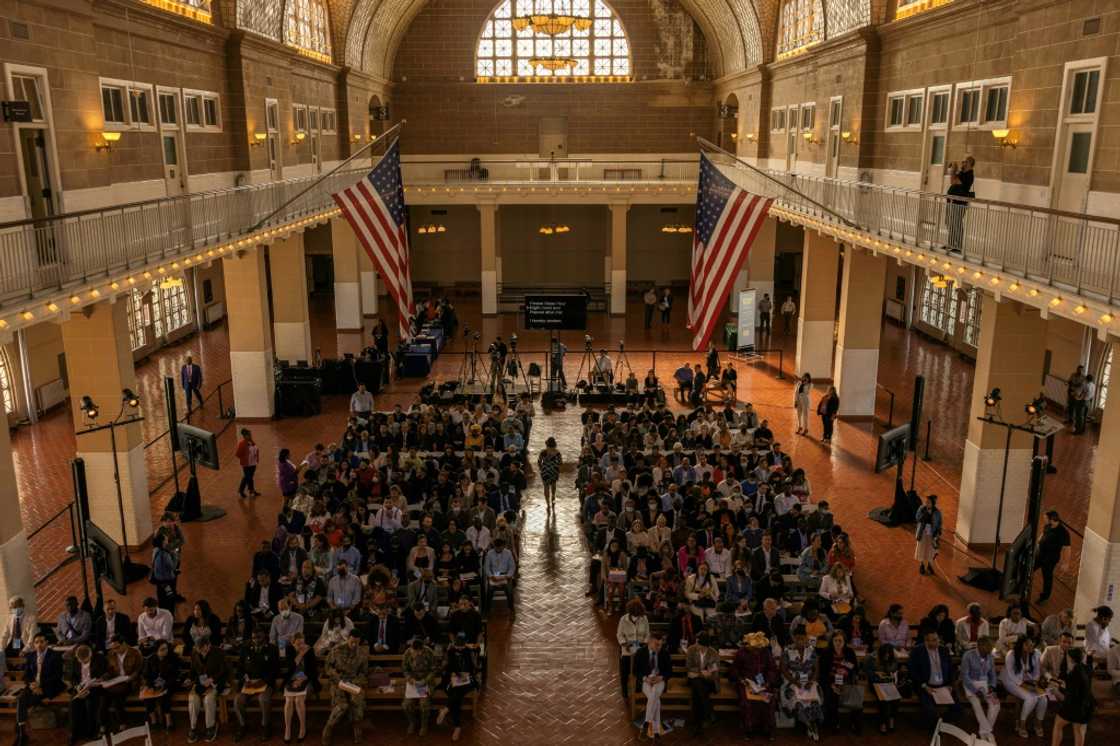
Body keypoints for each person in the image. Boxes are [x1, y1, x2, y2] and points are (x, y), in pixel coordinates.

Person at [15, 633, 64, 745]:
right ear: (33, 644)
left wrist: (40, 685)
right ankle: (22, 733)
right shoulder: (31, 656)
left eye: (42, 641)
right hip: (33, 686)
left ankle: (20, 734)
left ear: (46, 643)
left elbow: (57, 675)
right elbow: (26, 675)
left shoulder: (55, 655)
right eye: (36, 642)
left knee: (25, 702)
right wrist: (32, 684)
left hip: (49, 686)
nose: (39, 644)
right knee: (20, 699)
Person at [234, 626, 279, 741]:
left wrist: (262, 681)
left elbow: (275, 670)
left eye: (259, 637)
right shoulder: (246, 648)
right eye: (254, 638)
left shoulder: (272, 649)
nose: (256, 640)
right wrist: (244, 677)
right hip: (249, 683)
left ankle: (265, 725)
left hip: (265, 682)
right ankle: (243, 725)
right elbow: (239, 668)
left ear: (264, 636)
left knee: (263, 699)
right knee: (238, 701)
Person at [322, 630, 367, 745]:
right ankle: (328, 728)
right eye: (352, 641)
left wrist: (356, 681)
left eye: (356, 643)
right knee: (342, 706)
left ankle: (357, 730)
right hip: (338, 682)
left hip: (353, 682)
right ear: (348, 638)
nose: (354, 644)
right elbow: (328, 667)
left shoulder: (361, 653)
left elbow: (363, 672)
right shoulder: (337, 650)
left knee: (357, 703)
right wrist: (336, 676)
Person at [779, 624, 824, 742]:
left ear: (806, 638)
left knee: (814, 700)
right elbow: (783, 670)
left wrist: (812, 681)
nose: (800, 641)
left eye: (802, 638)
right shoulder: (787, 652)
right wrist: (794, 681)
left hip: (808, 681)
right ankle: (808, 725)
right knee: (798, 702)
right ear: (793, 638)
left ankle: (813, 725)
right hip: (792, 682)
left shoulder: (811, 651)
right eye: (797, 638)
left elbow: (816, 669)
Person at [910, 629, 960, 732]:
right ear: (926, 641)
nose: (935, 642)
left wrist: (950, 685)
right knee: (930, 711)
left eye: (936, 639)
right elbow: (913, 671)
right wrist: (924, 686)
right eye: (932, 640)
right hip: (926, 686)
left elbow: (951, 669)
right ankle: (935, 729)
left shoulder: (944, 650)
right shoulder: (917, 651)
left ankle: (941, 723)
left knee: (958, 709)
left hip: (944, 686)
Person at [731, 631, 779, 739]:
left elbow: (772, 669)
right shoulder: (741, 652)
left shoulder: (766, 652)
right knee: (747, 703)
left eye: (759, 648)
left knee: (768, 701)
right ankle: (748, 730)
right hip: (746, 683)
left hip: (763, 683)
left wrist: (768, 682)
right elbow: (734, 670)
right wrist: (741, 680)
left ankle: (767, 730)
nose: (757, 651)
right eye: (754, 648)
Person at [1003, 634, 1046, 738]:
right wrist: (1027, 687)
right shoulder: (1011, 654)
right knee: (1031, 698)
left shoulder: (1036, 653)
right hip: (1011, 681)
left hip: (1028, 681)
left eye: (1031, 644)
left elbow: (1036, 672)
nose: (1030, 647)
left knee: (1043, 699)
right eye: (1027, 645)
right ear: (1020, 645)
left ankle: (1038, 724)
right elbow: (1011, 675)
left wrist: (1035, 683)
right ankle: (1022, 725)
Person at [819, 629, 861, 734]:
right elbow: (823, 673)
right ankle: (835, 722)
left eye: (840, 641)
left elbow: (855, 668)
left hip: (847, 681)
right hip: (831, 682)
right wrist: (832, 684)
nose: (838, 643)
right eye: (836, 640)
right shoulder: (826, 652)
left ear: (844, 641)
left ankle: (855, 723)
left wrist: (846, 669)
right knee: (831, 695)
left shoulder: (849, 652)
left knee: (855, 696)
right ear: (831, 641)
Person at [187, 635, 228, 743]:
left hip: (215, 682)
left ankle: (210, 727)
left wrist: (212, 679)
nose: (201, 653)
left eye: (203, 650)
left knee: (208, 699)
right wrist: (188, 679)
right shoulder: (195, 653)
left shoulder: (219, 652)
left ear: (208, 645)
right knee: (192, 699)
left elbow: (223, 671)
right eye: (199, 650)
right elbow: (192, 671)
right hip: (200, 684)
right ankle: (193, 728)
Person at [439, 632, 478, 742]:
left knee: (456, 694)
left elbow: (473, 668)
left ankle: (446, 710)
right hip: (453, 679)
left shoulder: (469, 652)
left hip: (467, 680)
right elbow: (446, 667)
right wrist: (452, 673)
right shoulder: (450, 651)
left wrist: (467, 673)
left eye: (461, 647)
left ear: (465, 645)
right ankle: (457, 727)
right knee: (457, 695)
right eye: (457, 647)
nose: (459, 649)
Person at [1051, 647, 1094, 746]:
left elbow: (1067, 699)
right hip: (1086, 707)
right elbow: (1090, 668)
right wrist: (1090, 656)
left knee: (1058, 724)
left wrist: (1055, 691)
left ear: (1070, 659)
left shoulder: (1073, 674)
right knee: (1079, 731)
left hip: (1075, 708)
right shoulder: (1085, 668)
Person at [960, 635, 1000, 742]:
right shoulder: (968, 655)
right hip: (970, 684)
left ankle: (984, 731)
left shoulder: (990, 657)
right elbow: (964, 676)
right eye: (989, 646)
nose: (991, 649)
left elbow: (993, 675)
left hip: (985, 684)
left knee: (995, 704)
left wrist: (992, 686)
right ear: (980, 646)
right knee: (976, 704)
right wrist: (975, 691)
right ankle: (988, 732)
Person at [633, 632, 672, 741]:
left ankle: (646, 724)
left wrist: (661, 677)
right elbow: (635, 671)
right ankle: (655, 731)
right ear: (650, 642)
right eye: (656, 644)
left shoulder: (664, 653)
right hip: (646, 681)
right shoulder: (640, 652)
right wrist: (646, 678)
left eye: (660, 645)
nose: (659, 647)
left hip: (659, 681)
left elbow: (670, 671)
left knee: (654, 694)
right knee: (656, 700)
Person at [64, 643, 106, 745]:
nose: (82, 662)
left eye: (85, 660)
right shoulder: (75, 660)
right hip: (80, 687)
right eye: (80, 660)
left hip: (95, 687)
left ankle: (92, 733)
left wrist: (95, 682)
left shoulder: (99, 658)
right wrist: (77, 686)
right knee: (74, 705)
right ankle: (75, 733)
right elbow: (72, 677)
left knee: (91, 705)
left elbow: (104, 674)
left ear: (90, 655)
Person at [102, 634, 143, 733]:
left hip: (129, 681)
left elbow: (138, 670)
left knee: (117, 696)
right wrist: (105, 677)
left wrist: (131, 677)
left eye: (117, 647)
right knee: (103, 697)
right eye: (113, 648)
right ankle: (103, 724)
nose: (115, 650)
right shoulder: (111, 654)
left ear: (124, 644)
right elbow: (109, 670)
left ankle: (122, 722)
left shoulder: (135, 653)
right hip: (116, 681)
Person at [282, 632, 318, 744]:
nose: (301, 646)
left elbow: (313, 671)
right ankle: (287, 729)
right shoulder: (289, 650)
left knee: (299, 700)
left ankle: (302, 728)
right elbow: (290, 667)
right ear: (293, 644)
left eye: (302, 643)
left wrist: (302, 678)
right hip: (291, 678)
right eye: (298, 644)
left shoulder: (310, 650)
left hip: (307, 679)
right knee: (288, 701)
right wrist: (301, 654)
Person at [686, 632, 720, 736]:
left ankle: (696, 723)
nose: (702, 650)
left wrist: (708, 673)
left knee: (698, 691)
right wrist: (701, 672)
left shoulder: (713, 652)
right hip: (695, 678)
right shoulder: (691, 649)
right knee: (698, 685)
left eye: (705, 648)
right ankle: (708, 713)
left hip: (709, 680)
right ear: (697, 643)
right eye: (701, 647)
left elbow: (715, 670)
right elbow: (688, 666)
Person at [402, 635, 438, 736]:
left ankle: (424, 725)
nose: (417, 653)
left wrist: (425, 680)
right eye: (415, 651)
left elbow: (434, 669)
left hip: (426, 682)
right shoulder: (407, 653)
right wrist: (410, 679)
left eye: (419, 651)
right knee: (406, 705)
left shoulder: (429, 652)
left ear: (423, 648)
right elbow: (405, 669)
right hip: (413, 683)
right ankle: (412, 722)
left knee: (424, 704)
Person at [142, 639, 179, 733]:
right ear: (156, 651)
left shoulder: (172, 658)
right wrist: (151, 686)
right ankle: (154, 721)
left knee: (165, 696)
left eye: (166, 648)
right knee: (147, 697)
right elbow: (146, 675)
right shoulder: (150, 659)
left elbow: (175, 675)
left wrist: (164, 685)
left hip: (169, 684)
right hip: (155, 685)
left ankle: (168, 721)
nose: (165, 651)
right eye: (162, 649)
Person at [864, 642, 900, 734]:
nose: (887, 657)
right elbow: (869, 674)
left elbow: (894, 671)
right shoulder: (871, 659)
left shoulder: (894, 659)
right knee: (883, 700)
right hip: (876, 684)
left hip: (889, 684)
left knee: (895, 699)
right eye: (885, 655)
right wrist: (878, 676)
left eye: (889, 655)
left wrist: (890, 675)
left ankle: (892, 719)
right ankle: (883, 722)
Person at [616, 599, 649, 698]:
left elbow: (647, 634)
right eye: (636, 615)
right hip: (627, 650)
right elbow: (619, 635)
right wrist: (625, 644)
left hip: (640, 649)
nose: (638, 617)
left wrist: (644, 644)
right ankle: (624, 690)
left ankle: (639, 689)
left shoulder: (644, 619)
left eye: (639, 615)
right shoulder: (623, 619)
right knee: (624, 670)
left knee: (641, 670)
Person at [1036, 510, 1071, 601]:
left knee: (1047, 576)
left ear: (1052, 519)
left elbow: (1067, 548)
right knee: (1030, 567)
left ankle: (1044, 597)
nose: (1044, 520)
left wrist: (1066, 563)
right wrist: (1038, 543)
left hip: (1051, 558)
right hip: (1041, 554)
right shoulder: (1048, 526)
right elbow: (1043, 534)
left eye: (1045, 518)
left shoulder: (1063, 532)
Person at [482, 537, 517, 616]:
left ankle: (511, 609)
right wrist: (491, 576)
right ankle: (487, 610)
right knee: (489, 590)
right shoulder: (490, 553)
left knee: (509, 591)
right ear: (494, 546)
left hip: (505, 575)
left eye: (500, 547)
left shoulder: (508, 553)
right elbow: (486, 567)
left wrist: (508, 576)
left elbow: (512, 566)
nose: (498, 549)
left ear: (503, 546)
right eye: (496, 547)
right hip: (494, 576)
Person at [915, 494, 942, 576]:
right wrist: (925, 514)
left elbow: (939, 523)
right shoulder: (921, 509)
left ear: (933, 504)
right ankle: (922, 565)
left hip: (932, 533)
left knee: (932, 550)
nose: (926, 503)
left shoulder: (937, 512)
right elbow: (917, 518)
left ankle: (930, 565)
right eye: (926, 502)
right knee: (922, 548)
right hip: (923, 532)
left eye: (929, 502)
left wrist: (938, 533)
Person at [150, 533, 179, 611]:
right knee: (170, 598)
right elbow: (173, 567)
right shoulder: (165, 555)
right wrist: (175, 554)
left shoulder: (155, 550)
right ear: (162, 542)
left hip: (158, 580)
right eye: (166, 539)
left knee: (161, 598)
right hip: (166, 582)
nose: (167, 540)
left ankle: (162, 611)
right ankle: (170, 614)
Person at [235, 428, 261, 499]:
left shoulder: (252, 442)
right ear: (245, 436)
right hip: (246, 464)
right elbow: (237, 454)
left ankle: (250, 490)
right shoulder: (242, 444)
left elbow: (255, 450)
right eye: (249, 435)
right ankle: (244, 490)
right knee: (248, 477)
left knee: (249, 477)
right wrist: (245, 457)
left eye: (250, 435)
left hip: (253, 463)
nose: (250, 436)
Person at [537, 437, 562, 511]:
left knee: (546, 487)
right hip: (554, 470)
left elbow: (539, 461)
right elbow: (560, 462)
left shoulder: (543, 451)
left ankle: (548, 503)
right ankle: (553, 496)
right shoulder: (557, 452)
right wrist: (557, 467)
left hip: (545, 471)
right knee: (553, 485)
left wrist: (541, 468)